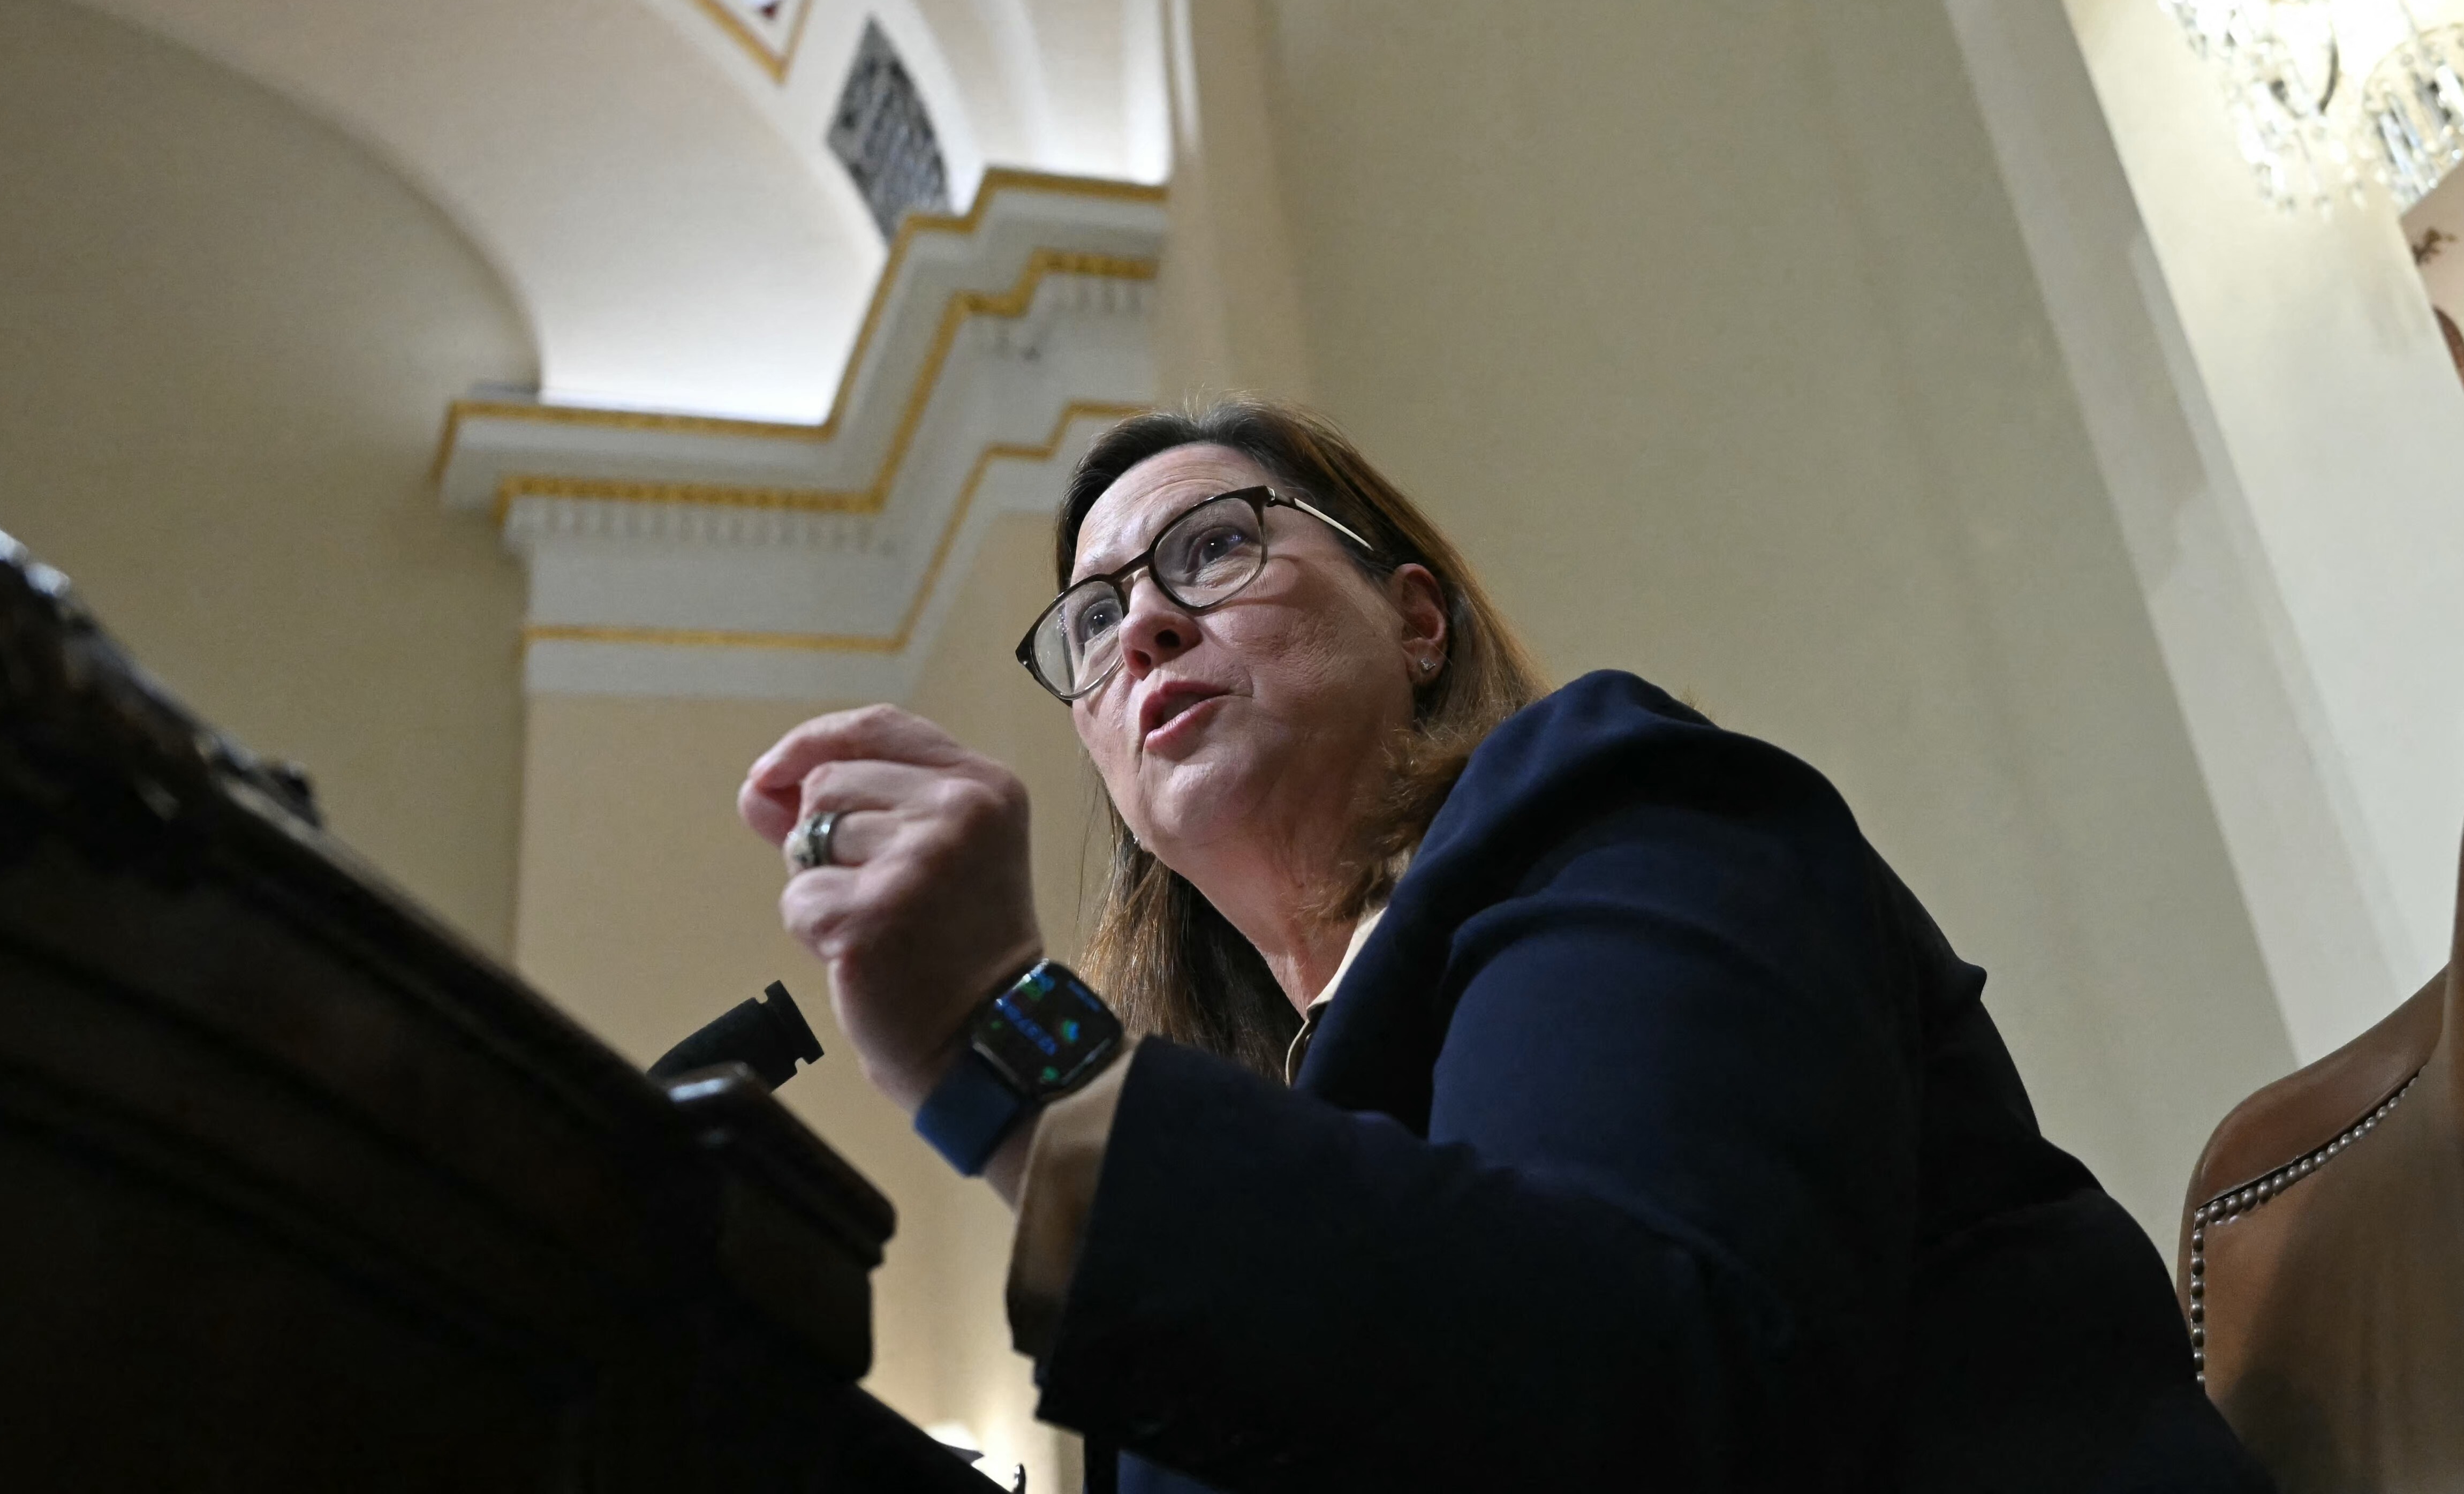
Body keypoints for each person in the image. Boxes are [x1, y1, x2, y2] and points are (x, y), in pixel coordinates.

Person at [736, 402, 2264, 1494]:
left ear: (1416, 621)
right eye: (1092, 621)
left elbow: (1663, 1392)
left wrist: (1015, 1050)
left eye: (1209, 549)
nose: (1137, 630)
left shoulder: (1620, 805)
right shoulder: (1256, 1132)